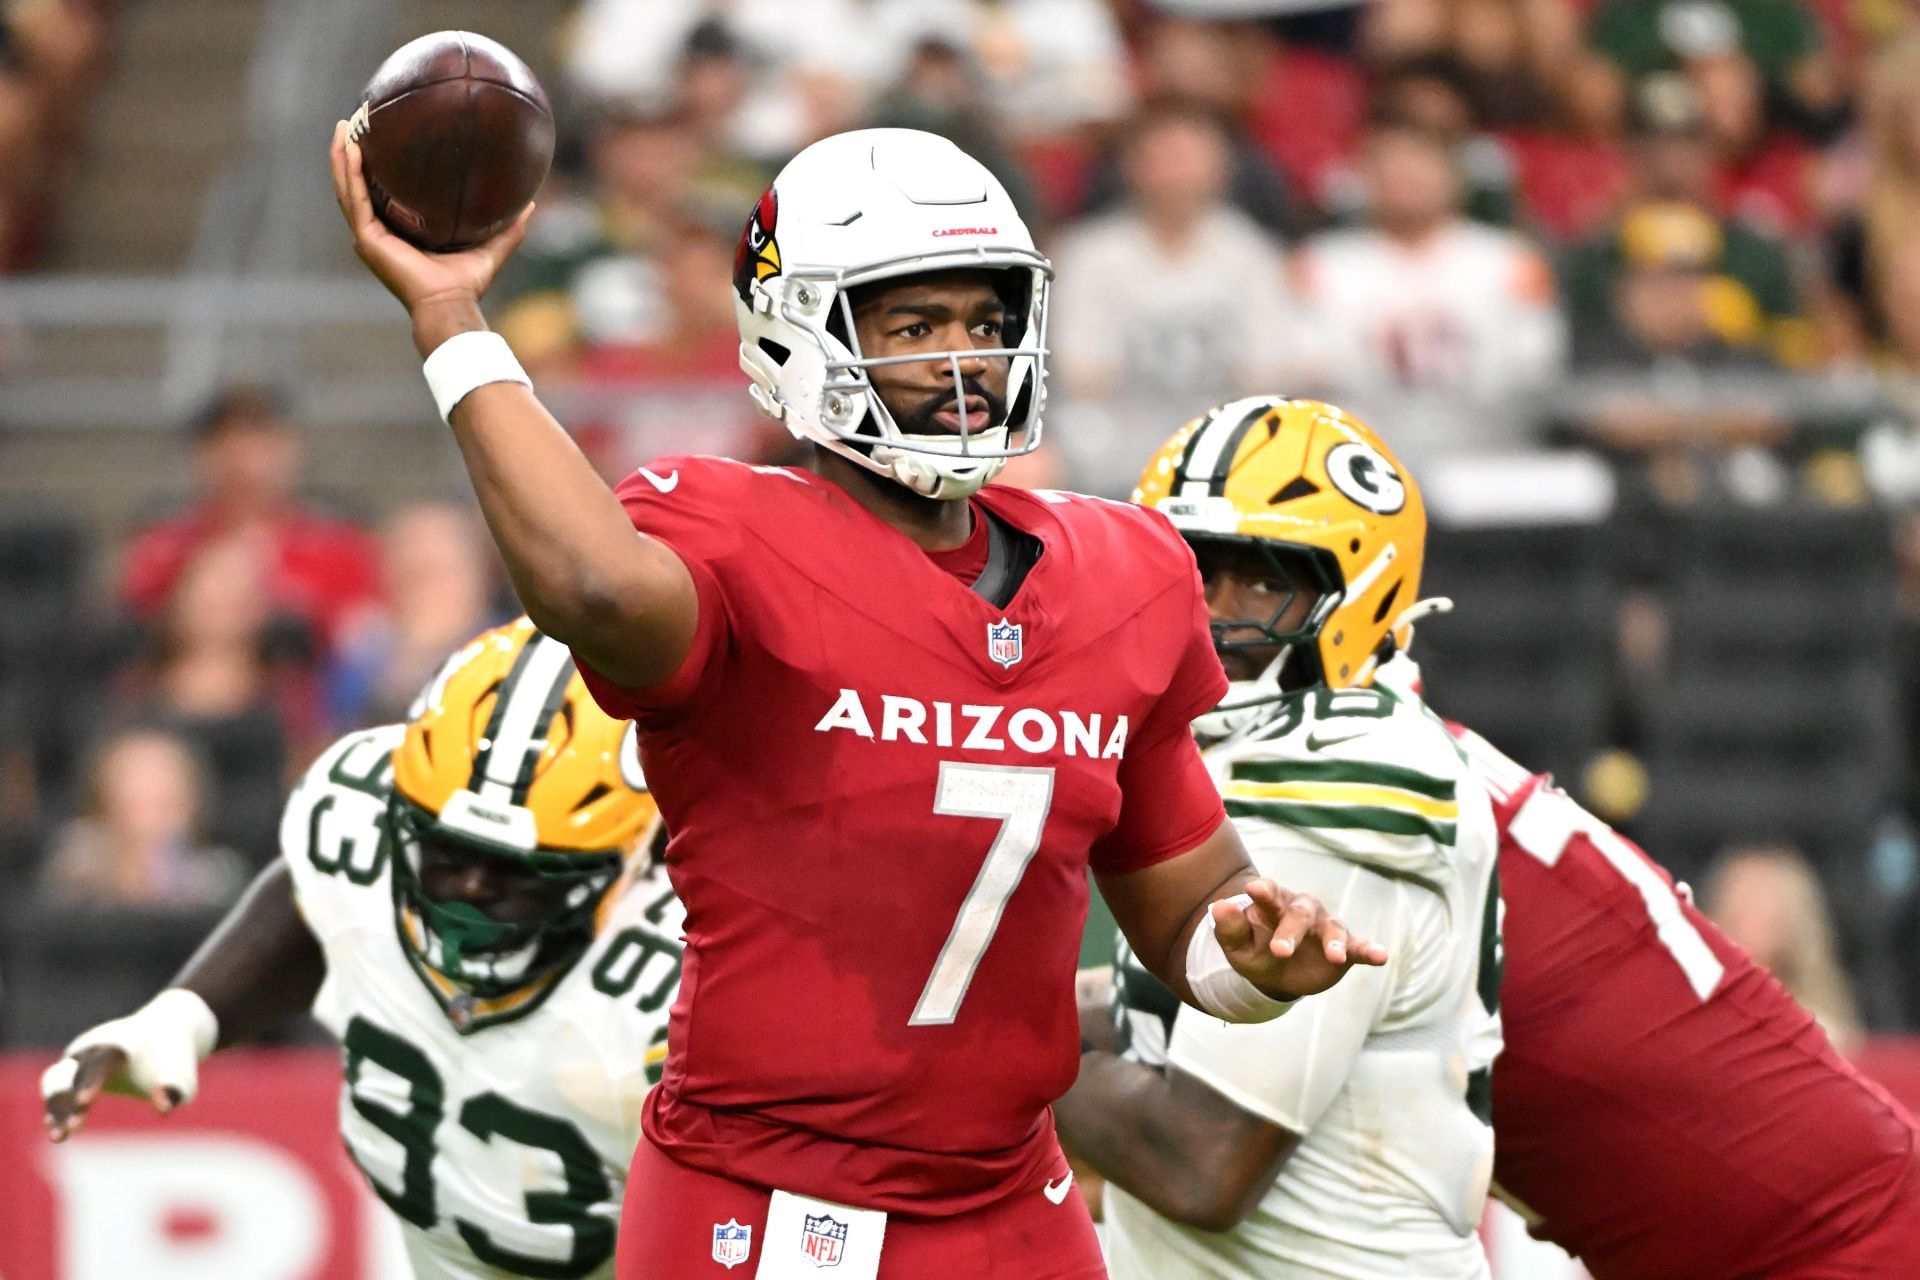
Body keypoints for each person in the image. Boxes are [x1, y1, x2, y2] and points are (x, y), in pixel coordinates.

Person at [326, 122, 1387, 1280]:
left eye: (986, 323)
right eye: (915, 324)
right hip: (766, 1196)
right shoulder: (731, 536)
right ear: (798, 333)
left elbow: (1187, 907)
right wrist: (449, 318)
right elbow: (588, 579)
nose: (965, 357)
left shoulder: (1122, 574)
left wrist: (1253, 958)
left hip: (1006, 1196)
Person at [41, 618, 676, 1280]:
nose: (469, 888)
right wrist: (185, 1015)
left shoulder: (682, 984)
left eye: (522, 870)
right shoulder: (358, 811)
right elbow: (321, 891)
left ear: (629, 860)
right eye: (446, 849)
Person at [1058, 398, 1502, 1278]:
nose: (1217, 614)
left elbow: (1201, 1161)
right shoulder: (1265, 753)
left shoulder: (1344, 767)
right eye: (1199, 571)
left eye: (1264, 580)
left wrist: (974, 1038)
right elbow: (1159, 1012)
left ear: (1359, 595)